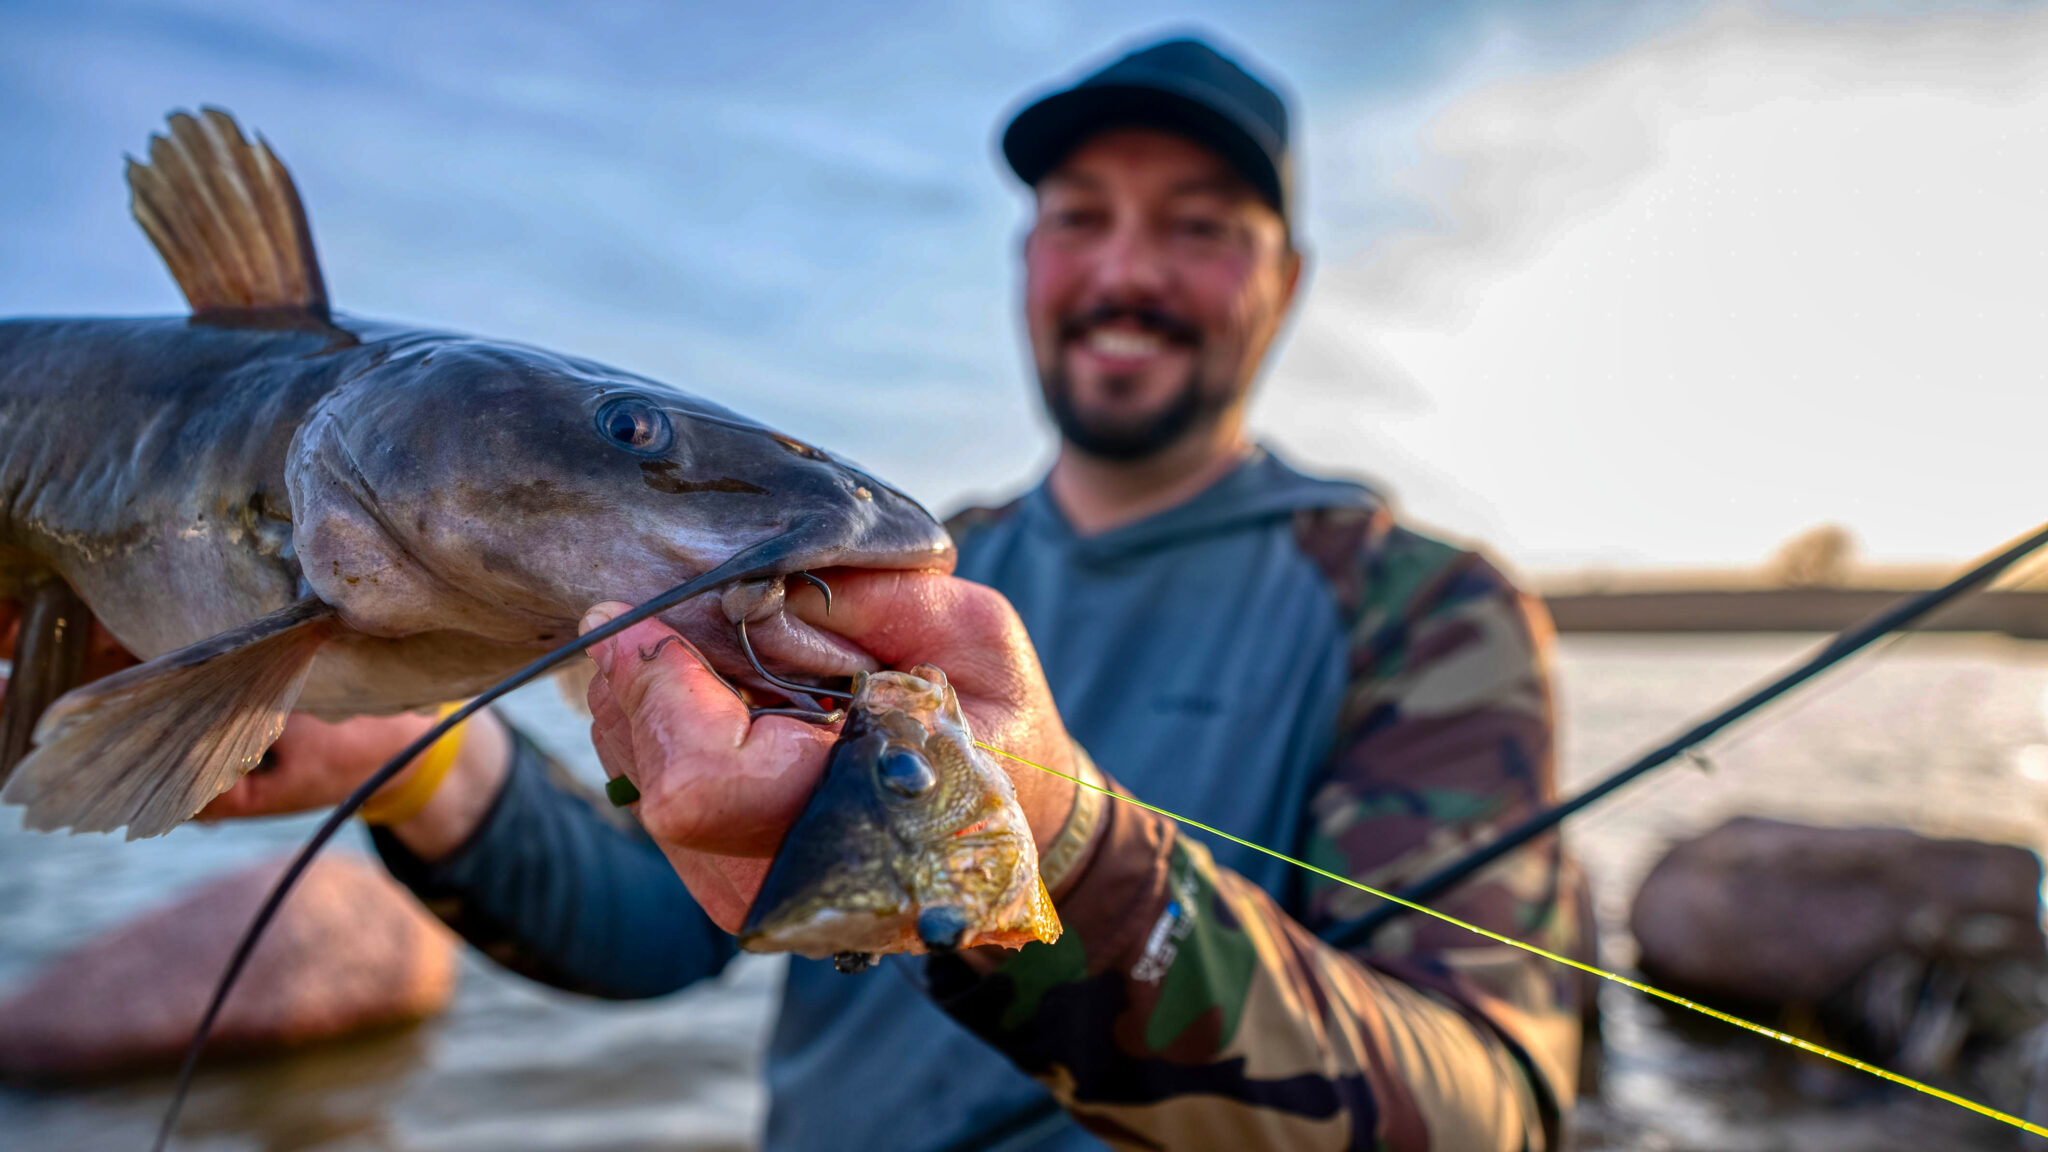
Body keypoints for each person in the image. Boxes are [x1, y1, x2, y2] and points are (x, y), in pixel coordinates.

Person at [179, 35, 1594, 1152]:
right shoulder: (872, 565)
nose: (1123, 269)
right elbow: (667, 921)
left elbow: (1486, 1112)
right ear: (1027, 260)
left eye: (1201, 227)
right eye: (1078, 217)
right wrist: (416, 767)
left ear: (1285, 284)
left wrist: (1058, 856)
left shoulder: (1424, 608)